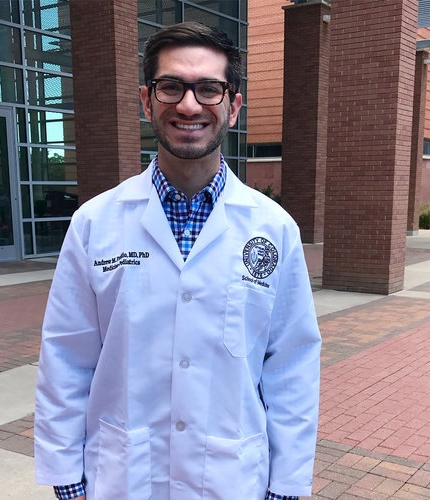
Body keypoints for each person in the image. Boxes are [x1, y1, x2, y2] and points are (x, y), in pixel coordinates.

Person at [35, 22, 322, 500]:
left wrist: (286, 485)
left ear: (233, 105)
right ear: (148, 100)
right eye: (172, 86)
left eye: (209, 89)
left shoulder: (273, 229)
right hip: (123, 479)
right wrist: (67, 479)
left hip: (233, 480)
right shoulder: (95, 223)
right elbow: (66, 357)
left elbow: (291, 366)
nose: (190, 105)